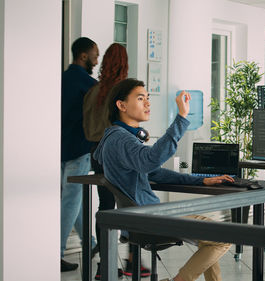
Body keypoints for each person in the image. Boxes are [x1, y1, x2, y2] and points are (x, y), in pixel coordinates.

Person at [93, 78, 233, 281]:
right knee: (222, 236)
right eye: (141, 98)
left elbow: (154, 172)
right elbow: (150, 161)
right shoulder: (120, 139)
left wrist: (200, 181)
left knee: (211, 238)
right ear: (121, 105)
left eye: (148, 98)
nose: (148, 103)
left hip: (144, 217)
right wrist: (182, 117)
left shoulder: (119, 137)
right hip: (149, 218)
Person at [82, 43, 135, 279]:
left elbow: (86, 126)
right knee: (133, 206)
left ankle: (105, 265)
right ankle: (133, 260)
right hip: (119, 154)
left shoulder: (93, 91)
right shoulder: (123, 92)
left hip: (96, 153)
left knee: (105, 207)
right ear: (124, 63)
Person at [61, 37, 99, 272]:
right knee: (70, 201)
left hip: (58, 148)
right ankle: (55, 251)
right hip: (79, 149)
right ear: (83, 56)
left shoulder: (60, 79)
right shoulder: (89, 84)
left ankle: (91, 243)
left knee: (73, 201)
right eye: (95, 55)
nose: (97, 59)